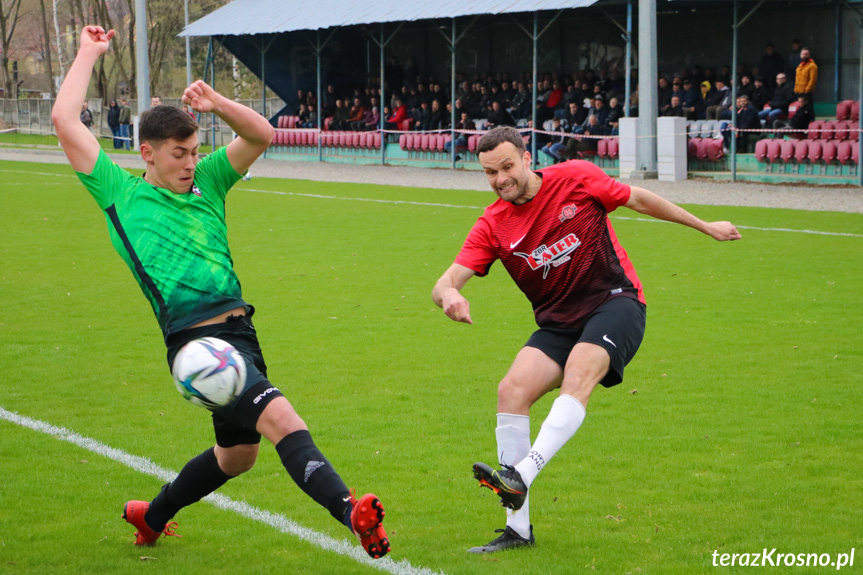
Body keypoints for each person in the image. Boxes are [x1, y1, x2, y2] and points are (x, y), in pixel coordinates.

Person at [50, 26, 390, 559]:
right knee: (282, 419)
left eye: (194, 151)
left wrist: (215, 102)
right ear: (147, 154)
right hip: (195, 346)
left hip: (240, 333)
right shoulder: (119, 193)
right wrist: (90, 51)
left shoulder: (209, 180)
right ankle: (352, 511)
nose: (190, 162)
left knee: (237, 458)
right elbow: (64, 120)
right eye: (179, 154)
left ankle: (152, 514)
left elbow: (259, 136)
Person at [431, 126, 741, 554]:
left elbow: (641, 199)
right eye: (489, 173)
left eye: (506, 167)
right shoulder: (493, 225)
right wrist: (449, 294)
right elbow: (443, 282)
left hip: (615, 303)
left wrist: (704, 225)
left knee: (580, 372)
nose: (500, 179)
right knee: (511, 390)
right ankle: (517, 530)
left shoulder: (575, 176)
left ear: (526, 158)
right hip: (559, 322)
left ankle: (522, 472)